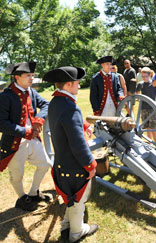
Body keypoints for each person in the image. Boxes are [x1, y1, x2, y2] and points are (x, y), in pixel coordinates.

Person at [43, 66, 99, 242]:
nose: (79, 86)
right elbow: (78, 144)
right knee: (78, 200)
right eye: (77, 83)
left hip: (62, 161)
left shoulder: (56, 102)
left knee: (70, 196)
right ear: (68, 84)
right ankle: (77, 232)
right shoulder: (69, 107)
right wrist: (91, 165)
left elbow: (66, 123)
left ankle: (67, 224)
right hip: (74, 164)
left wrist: (83, 124)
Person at [0, 62, 52, 211]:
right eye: (28, 75)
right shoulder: (5, 96)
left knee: (45, 165)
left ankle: (34, 193)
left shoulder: (31, 92)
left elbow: (46, 105)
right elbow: (2, 124)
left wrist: (39, 119)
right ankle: (22, 197)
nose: (32, 78)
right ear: (17, 77)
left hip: (33, 139)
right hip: (15, 143)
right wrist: (25, 132)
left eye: (32, 75)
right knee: (17, 175)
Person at [141, 67, 156, 143]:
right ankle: (149, 142)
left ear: (150, 75)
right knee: (147, 127)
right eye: (142, 76)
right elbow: (135, 94)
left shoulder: (154, 84)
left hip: (152, 108)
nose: (144, 78)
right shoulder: (141, 84)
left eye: (146, 76)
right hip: (143, 108)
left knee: (153, 127)